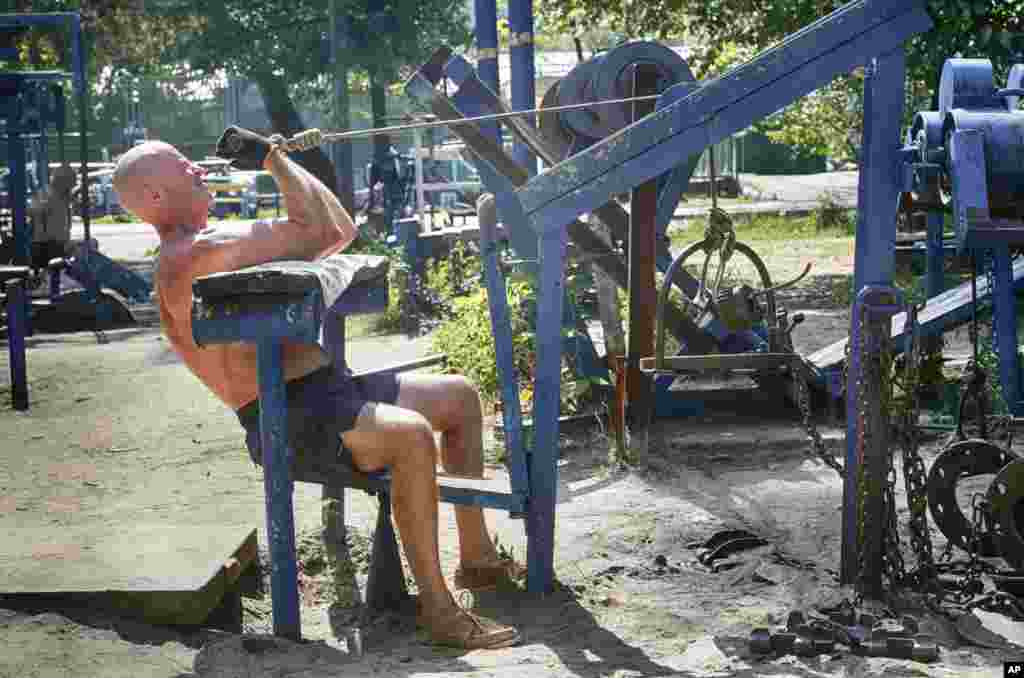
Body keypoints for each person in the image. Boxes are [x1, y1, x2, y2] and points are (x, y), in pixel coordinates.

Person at [112, 129, 521, 650]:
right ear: (155, 196)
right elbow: (316, 229)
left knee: (459, 397)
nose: (195, 167)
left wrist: (278, 160)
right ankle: (439, 610)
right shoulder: (189, 255)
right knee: (412, 436)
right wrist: (271, 160)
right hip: (288, 416)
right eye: (181, 165)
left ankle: (478, 561)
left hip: (323, 390)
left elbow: (338, 230)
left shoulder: (214, 243)